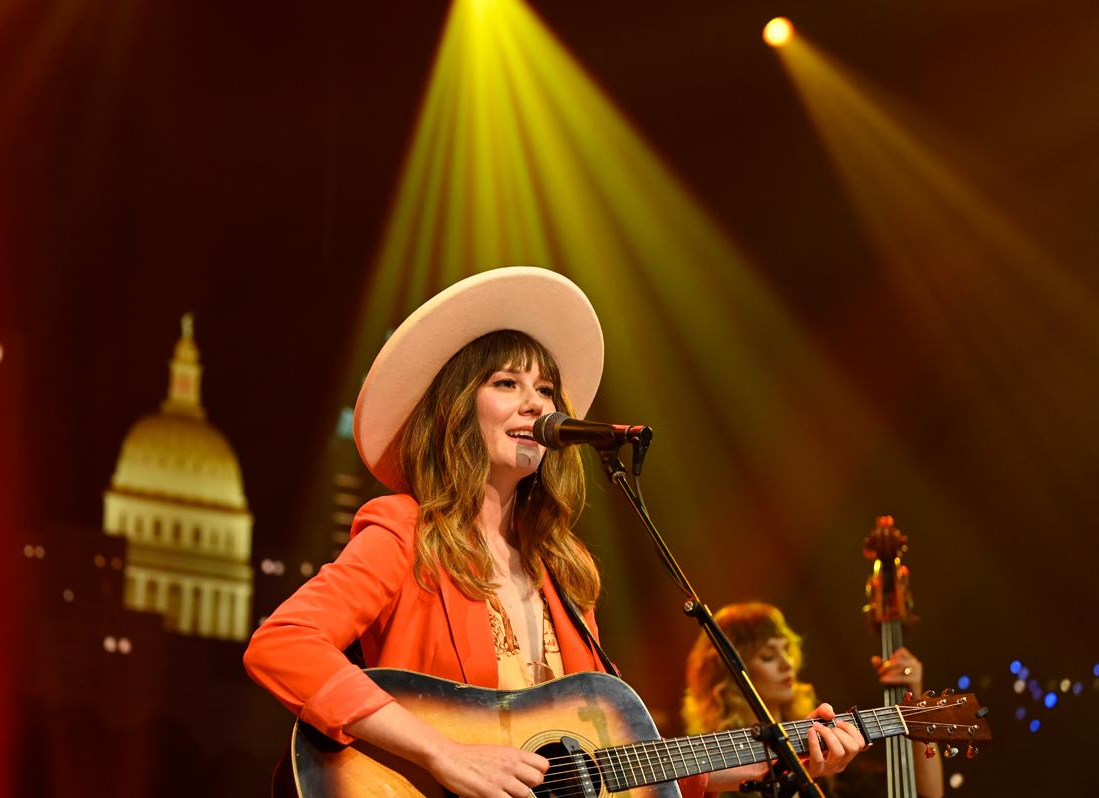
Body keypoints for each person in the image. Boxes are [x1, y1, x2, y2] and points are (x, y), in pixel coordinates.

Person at [244, 268, 862, 798]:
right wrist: (441, 752)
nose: (536, 405)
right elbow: (284, 644)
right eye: (507, 383)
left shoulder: (562, 573)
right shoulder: (405, 531)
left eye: (545, 388)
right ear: (458, 408)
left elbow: (600, 759)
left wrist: (775, 754)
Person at [682, 603, 943, 798]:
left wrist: (914, 700)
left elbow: (923, 794)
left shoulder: (821, 747)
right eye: (768, 656)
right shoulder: (709, 771)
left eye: (787, 650)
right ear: (728, 676)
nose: (788, 664)